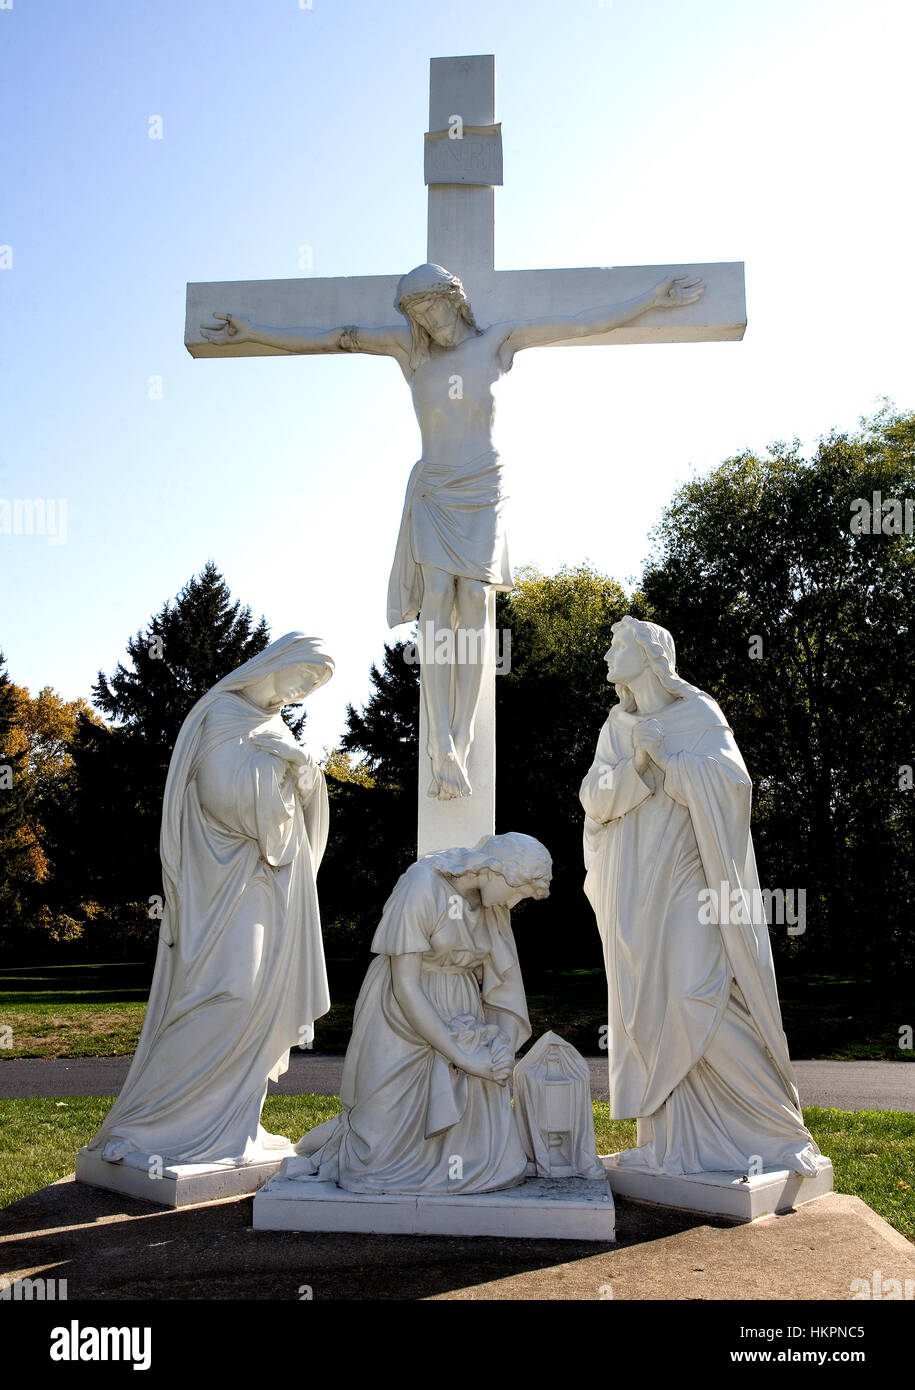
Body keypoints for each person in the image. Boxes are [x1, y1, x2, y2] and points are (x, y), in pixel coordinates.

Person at [201, 265, 703, 800]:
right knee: (438, 598)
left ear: (454, 300)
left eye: (433, 309)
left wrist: (651, 299)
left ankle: (461, 738)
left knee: (476, 600)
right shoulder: (410, 351)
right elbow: (332, 336)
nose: (429, 322)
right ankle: (440, 737)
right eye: (417, 315)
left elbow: (579, 322)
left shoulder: (498, 342)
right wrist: (251, 330)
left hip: (483, 486)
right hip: (436, 489)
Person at [580, 617, 820, 1177]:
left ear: (648, 655)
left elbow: (735, 787)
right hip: (633, 886)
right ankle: (671, 1145)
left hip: (691, 876)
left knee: (697, 991)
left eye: (618, 646)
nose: (608, 657)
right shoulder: (616, 725)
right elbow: (594, 798)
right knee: (649, 1009)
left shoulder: (698, 714)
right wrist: (637, 763)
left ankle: (780, 1131)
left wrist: (670, 761)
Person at [86, 632, 335, 1168]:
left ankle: (234, 1127)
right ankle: (149, 1125)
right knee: (230, 994)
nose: (299, 693)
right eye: (302, 678)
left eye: (311, 689)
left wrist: (303, 769)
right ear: (279, 663)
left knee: (262, 1006)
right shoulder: (221, 713)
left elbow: (305, 797)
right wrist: (281, 786)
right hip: (224, 884)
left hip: (272, 886)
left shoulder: (273, 727)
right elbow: (222, 797)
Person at [283, 832, 552, 1195]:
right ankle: (366, 1153)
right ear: (497, 870)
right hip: (401, 1008)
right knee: (380, 1142)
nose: (515, 902)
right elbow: (405, 984)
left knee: (476, 1100)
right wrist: (462, 1056)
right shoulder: (423, 883)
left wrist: (498, 1042)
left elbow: (503, 986)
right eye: (518, 891)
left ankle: (457, 1168)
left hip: (461, 1006)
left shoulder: (492, 906)